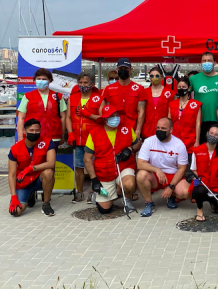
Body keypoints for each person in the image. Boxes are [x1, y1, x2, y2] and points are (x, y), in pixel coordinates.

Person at [84, 105, 141, 214]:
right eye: (112, 116)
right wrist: (94, 179)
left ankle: (127, 199)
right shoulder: (94, 133)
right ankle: (105, 194)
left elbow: (138, 144)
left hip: (124, 166)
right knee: (104, 209)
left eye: (117, 115)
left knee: (129, 184)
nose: (116, 118)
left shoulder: (127, 128)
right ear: (105, 119)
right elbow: (87, 158)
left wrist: (130, 148)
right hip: (104, 172)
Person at [136, 118, 190, 217]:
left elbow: (182, 168)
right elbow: (140, 164)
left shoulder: (179, 144)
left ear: (171, 130)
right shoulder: (148, 141)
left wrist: (171, 186)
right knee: (141, 175)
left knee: (186, 192)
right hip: (155, 176)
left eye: (163, 128)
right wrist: (157, 170)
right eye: (158, 128)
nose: (160, 130)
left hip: (172, 176)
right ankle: (149, 203)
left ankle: (172, 196)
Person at [66, 72, 104, 203]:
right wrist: (70, 133)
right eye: (80, 83)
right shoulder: (73, 97)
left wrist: (88, 114)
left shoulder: (98, 98)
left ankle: (93, 192)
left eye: (86, 82)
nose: (83, 85)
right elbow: (68, 118)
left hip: (93, 139)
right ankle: (80, 192)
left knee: (94, 166)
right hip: (77, 138)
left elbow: (102, 119)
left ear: (91, 84)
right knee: (79, 166)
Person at [8, 119, 57, 217]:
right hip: (23, 182)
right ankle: (30, 195)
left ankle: (46, 204)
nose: (34, 133)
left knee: (48, 172)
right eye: (31, 130)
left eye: (37, 130)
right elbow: (12, 175)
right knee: (16, 212)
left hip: (39, 179)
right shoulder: (15, 149)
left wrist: (31, 168)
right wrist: (13, 196)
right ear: (24, 131)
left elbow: (51, 163)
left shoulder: (47, 142)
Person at [189, 52, 218, 144]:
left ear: (215, 63)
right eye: (204, 61)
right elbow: (183, 96)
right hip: (200, 122)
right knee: (202, 149)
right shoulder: (193, 79)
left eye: (209, 60)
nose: (207, 63)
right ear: (200, 63)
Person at [190, 124, 218, 222]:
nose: (213, 136)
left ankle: (214, 204)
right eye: (211, 133)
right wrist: (195, 179)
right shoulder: (197, 150)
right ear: (207, 133)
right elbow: (194, 169)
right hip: (203, 186)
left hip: (216, 189)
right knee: (199, 191)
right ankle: (199, 210)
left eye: (216, 135)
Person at [17, 68, 67, 142]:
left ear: (49, 81)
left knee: (52, 154)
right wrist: (20, 137)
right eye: (39, 79)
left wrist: (62, 135)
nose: (41, 81)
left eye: (44, 79)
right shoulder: (28, 96)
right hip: (33, 136)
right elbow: (21, 118)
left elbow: (63, 117)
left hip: (53, 137)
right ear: (35, 80)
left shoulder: (58, 96)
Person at [101, 58, 146, 137]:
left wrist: (138, 131)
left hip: (132, 129)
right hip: (113, 129)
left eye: (126, 69)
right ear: (117, 70)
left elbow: (141, 112)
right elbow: (104, 111)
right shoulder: (108, 89)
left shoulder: (139, 89)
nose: (123, 71)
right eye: (121, 69)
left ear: (131, 70)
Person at [169, 77, 202, 157]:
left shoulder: (196, 104)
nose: (181, 89)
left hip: (190, 140)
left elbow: (198, 124)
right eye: (179, 87)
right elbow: (169, 122)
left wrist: (197, 141)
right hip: (173, 140)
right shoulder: (171, 104)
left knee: (188, 166)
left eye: (184, 87)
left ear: (189, 88)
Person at [141, 66, 176, 139]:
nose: (154, 77)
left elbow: (173, 113)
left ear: (162, 77)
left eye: (157, 75)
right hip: (147, 130)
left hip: (163, 130)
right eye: (151, 76)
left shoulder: (170, 93)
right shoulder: (143, 92)